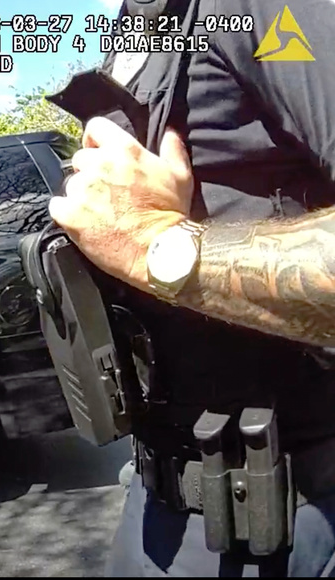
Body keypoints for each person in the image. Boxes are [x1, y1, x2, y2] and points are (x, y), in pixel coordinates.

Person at [48, 0, 335, 576]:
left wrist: (152, 245)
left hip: (295, 517)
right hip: (157, 505)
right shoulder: (142, 25)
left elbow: (144, 236)